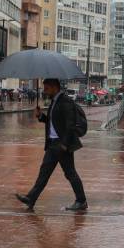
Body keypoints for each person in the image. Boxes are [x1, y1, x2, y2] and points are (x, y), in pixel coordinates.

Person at [15, 78, 87, 211]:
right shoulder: (55, 101)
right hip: (52, 144)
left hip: (61, 145)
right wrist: (41, 117)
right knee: (44, 173)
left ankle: (81, 201)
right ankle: (31, 198)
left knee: (70, 173)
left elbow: (69, 125)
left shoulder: (66, 101)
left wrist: (64, 145)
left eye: (47, 88)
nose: (45, 91)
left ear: (55, 87)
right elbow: (54, 122)